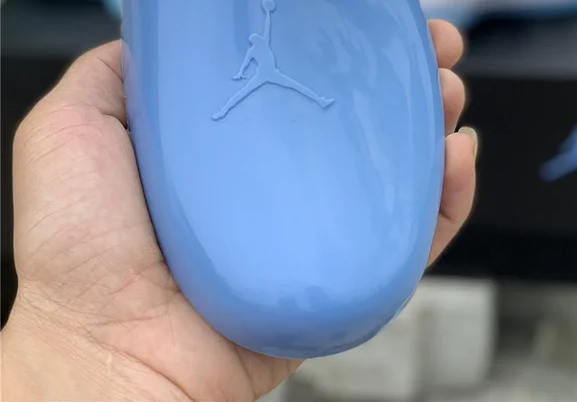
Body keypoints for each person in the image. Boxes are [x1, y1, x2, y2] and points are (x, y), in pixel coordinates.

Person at [2, 21, 476, 402]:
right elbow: (254, 50)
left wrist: (83, 348)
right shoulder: (252, 41)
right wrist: (88, 344)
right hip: (258, 104)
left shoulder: (256, 36)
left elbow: (259, 41)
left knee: (274, 91)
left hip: (269, 99)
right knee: (261, 93)